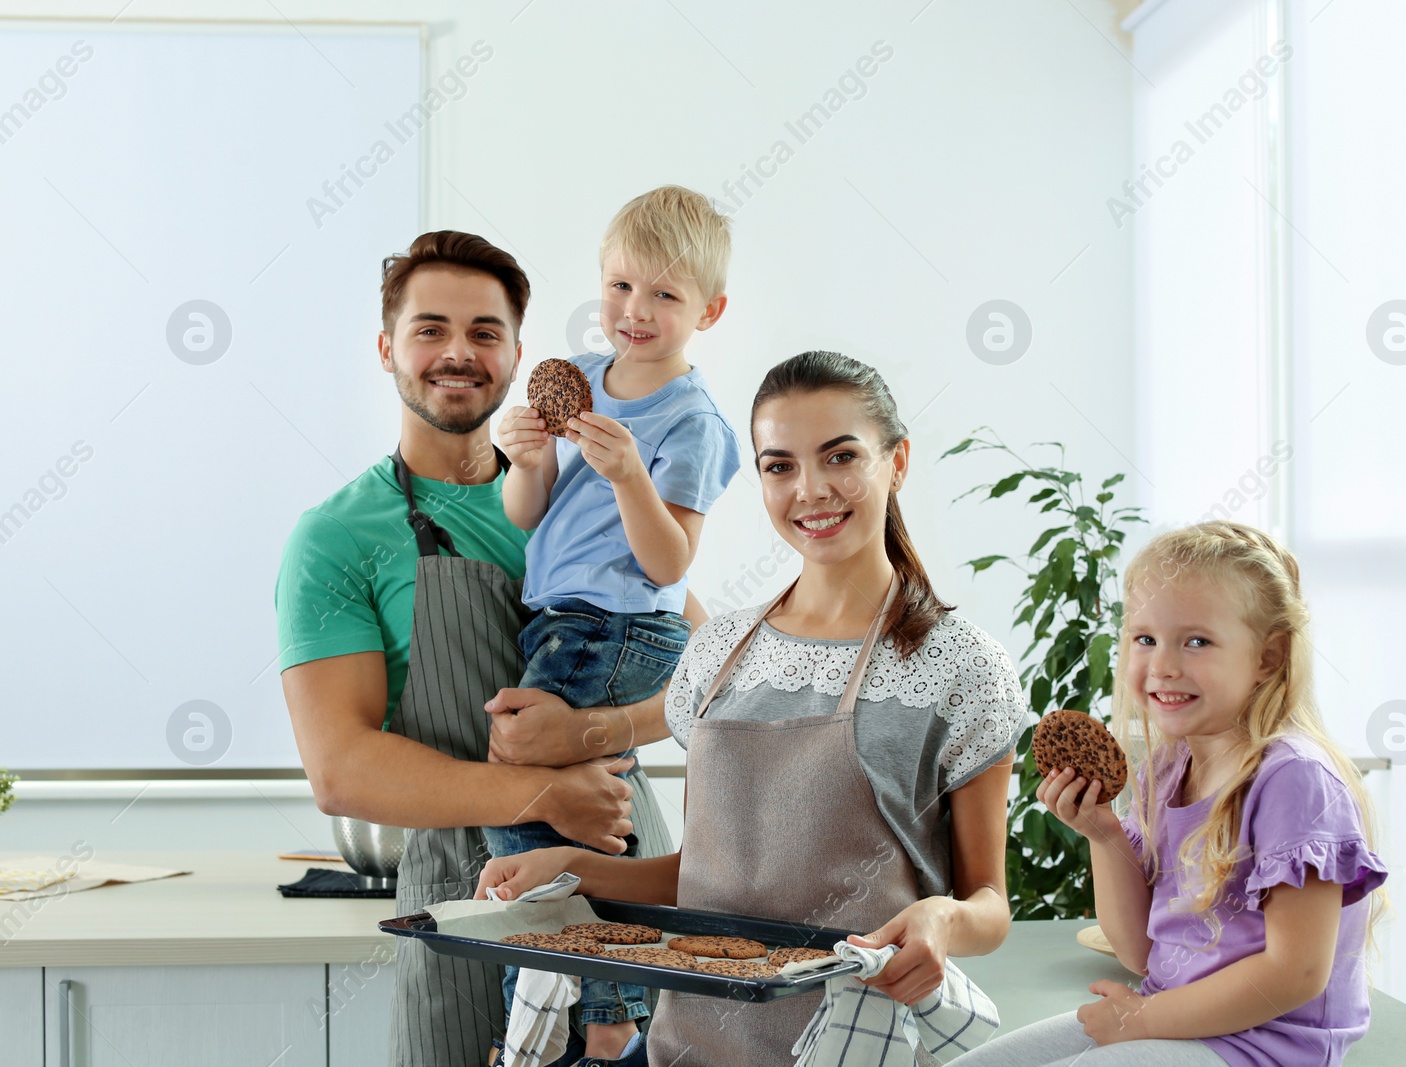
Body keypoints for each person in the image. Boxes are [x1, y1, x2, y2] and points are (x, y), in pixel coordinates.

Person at [476, 351, 1026, 1066]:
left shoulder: (961, 665)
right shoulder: (718, 651)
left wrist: (943, 917)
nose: (812, 490)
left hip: (852, 1044)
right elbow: (710, 878)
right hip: (687, 1043)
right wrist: (570, 866)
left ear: (898, 462)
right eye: (780, 465)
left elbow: (990, 902)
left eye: (840, 456)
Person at [276, 231, 640, 1067]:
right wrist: (547, 792)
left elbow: (703, 678)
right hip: (460, 904)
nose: (457, 352)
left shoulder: (590, 498)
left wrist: (582, 746)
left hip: (622, 877)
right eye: (430, 328)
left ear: (517, 356)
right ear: (387, 348)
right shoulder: (336, 537)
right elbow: (342, 767)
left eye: (484, 332)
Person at [949, 522, 1389, 1067]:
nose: (1163, 665)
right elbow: (1140, 953)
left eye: (1197, 641)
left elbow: (1295, 973)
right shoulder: (1168, 769)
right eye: (1145, 639)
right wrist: (1103, 833)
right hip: (1174, 1018)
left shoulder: (1293, 779)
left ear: (1267, 658)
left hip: (1266, 1046)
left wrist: (1142, 1020)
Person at [486, 185, 741, 1065]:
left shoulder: (693, 422)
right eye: (622, 287)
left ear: (708, 309)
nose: (636, 312)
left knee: (518, 784)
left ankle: (590, 1007)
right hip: (559, 619)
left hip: (618, 626)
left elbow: (670, 564)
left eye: (666, 296)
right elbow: (529, 516)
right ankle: (611, 1009)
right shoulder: (579, 378)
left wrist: (631, 476)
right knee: (581, 814)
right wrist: (526, 458)